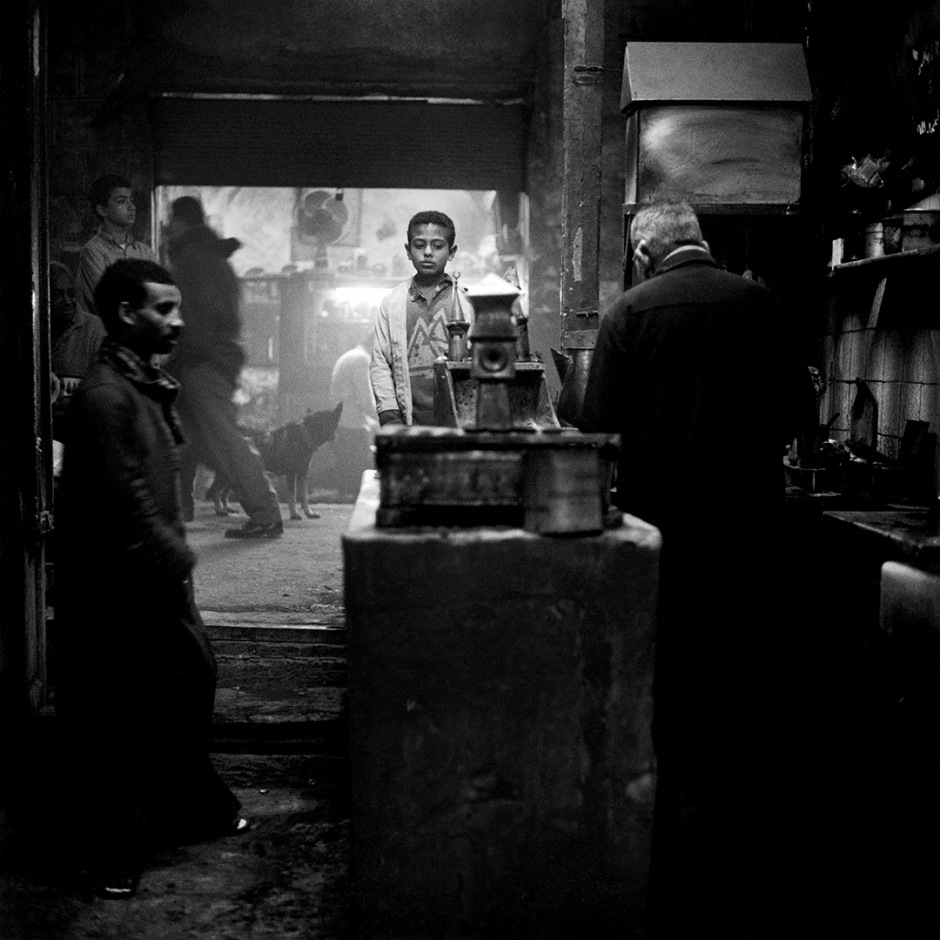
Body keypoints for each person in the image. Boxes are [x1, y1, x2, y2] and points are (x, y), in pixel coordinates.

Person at [579, 201, 813, 936]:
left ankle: (670, 839)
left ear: (644, 253)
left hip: (665, 530)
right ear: (701, 243)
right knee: (742, 681)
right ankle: (746, 845)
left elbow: (598, 426)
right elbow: (800, 416)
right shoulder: (761, 303)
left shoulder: (629, 313)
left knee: (673, 682)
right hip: (750, 530)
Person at [55, 258, 246, 899]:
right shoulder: (107, 397)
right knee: (127, 723)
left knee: (179, 696)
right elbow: (125, 505)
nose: (178, 321)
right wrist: (177, 561)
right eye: (164, 309)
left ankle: (194, 811)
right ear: (126, 315)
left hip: (151, 580)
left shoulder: (139, 385)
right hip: (121, 593)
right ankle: (113, 857)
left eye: (178, 307)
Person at [163, 195, 282, 538]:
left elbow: (196, 315)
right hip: (209, 357)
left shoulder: (192, 258)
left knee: (223, 439)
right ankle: (172, 513)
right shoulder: (211, 256)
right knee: (192, 440)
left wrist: (186, 352)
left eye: (171, 219)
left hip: (203, 360)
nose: (167, 227)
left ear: (183, 221)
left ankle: (265, 511)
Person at [370, 210, 472, 426]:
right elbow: (381, 363)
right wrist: (390, 416)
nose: (427, 252)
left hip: (461, 422)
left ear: (451, 252)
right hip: (409, 425)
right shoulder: (393, 302)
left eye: (437, 246)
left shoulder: (468, 302)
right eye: (419, 245)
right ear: (408, 250)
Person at [77, 174, 157, 315]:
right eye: (121, 201)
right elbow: (107, 302)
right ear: (102, 209)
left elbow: (159, 296)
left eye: (131, 200)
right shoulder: (93, 251)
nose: (131, 207)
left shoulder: (145, 252)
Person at [49, 261, 107, 445]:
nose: (66, 301)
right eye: (57, 295)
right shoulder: (36, 329)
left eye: (70, 294)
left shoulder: (94, 330)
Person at [329, 327, 378, 498]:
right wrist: (384, 421)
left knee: (346, 475)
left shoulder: (350, 356)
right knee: (355, 480)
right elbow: (365, 400)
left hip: (342, 422)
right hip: (352, 424)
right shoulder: (361, 360)